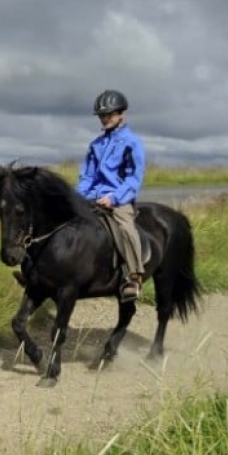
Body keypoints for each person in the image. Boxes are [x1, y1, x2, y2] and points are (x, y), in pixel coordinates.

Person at [77, 89, 147, 302]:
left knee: (125, 227)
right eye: (101, 115)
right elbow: (86, 177)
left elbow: (133, 179)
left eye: (109, 114)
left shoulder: (131, 143)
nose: (105, 118)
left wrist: (113, 198)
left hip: (118, 199)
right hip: (92, 196)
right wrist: (76, 197)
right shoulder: (95, 145)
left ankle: (134, 277)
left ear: (121, 114)